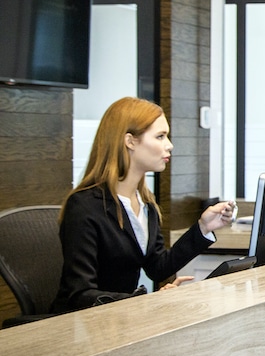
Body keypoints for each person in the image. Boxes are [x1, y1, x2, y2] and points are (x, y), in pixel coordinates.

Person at [52, 97, 236, 313]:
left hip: (120, 322)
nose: (170, 145)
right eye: (160, 136)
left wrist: (203, 228)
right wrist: (145, 302)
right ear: (130, 141)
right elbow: (80, 294)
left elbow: (157, 268)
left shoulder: (145, 202)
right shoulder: (84, 206)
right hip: (80, 328)